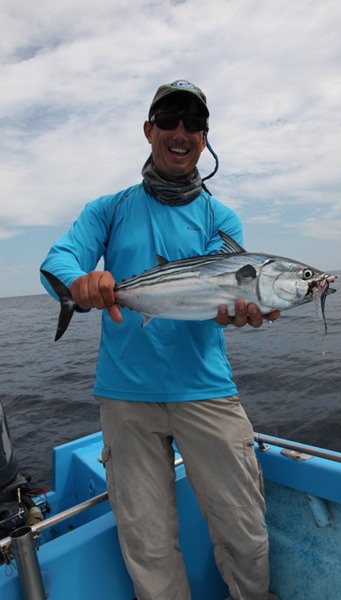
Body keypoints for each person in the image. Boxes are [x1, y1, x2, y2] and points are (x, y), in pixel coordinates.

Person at [40, 80, 279, 600]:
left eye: (193, 124)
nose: (180, 132)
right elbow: (58, 261)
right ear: (149, 131)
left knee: (245, 533)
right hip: (125, 400)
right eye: (169, 120)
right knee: (147, 544)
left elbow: (217, 300)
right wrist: (80, 283)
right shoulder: (108, 209)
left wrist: (238, 315)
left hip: (206, 391)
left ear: (205, 137)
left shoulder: (222, 220)